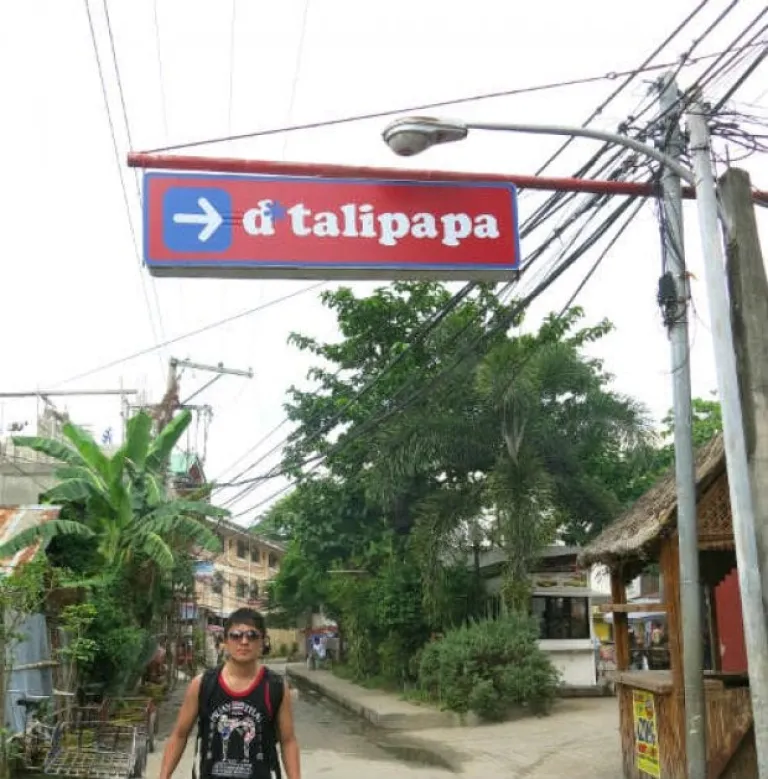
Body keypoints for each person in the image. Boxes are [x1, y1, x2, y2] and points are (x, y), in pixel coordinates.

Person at [159, 608, 300, 779]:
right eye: (236, 635)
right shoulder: (203, 684)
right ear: (225, 640)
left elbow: (288, 740)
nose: (244, 641)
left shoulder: (275, 686)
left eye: (252, 635)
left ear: (263, 641)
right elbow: (179, 734)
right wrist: (164, 776)